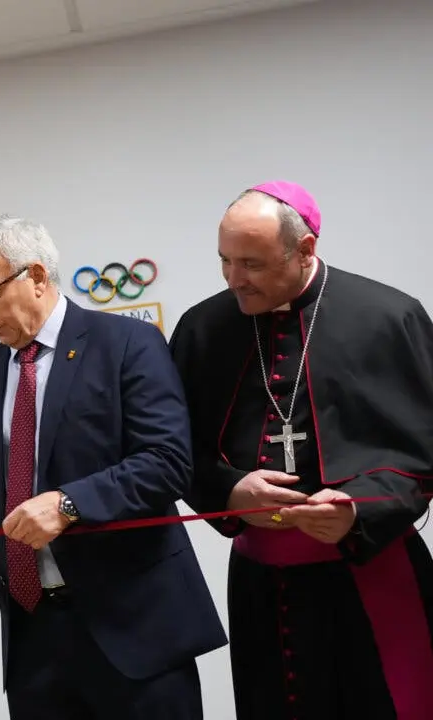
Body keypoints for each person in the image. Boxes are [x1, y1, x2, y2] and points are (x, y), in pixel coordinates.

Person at [0, 215, 227, 719]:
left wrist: (70, 504)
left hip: (133, 630)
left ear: (37, 276)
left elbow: (168, 463)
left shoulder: (127, 344)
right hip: (33, 640)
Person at [169, 180, 433, 719]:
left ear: (305, 249)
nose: (233, 280)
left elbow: (424, 452)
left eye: (253, 264)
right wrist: (229, 490)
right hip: (262, 584)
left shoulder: (390, 317)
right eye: (225, 261)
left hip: (374, 570)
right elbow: (175, 452)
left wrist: (358, 509)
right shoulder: (202, 329)